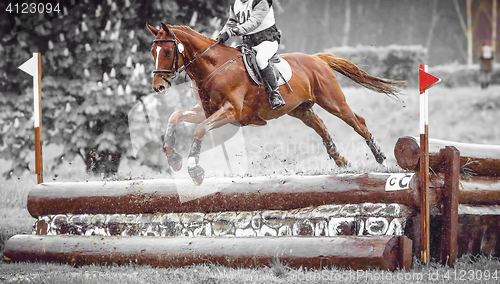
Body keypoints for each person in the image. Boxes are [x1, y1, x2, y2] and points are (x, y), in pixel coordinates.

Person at [217, 0, 286, 110]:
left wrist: (231, 32)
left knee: (261, 59)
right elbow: (231, 22)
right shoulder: (235, 4)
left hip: (267, 40)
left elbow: (254, 22)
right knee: (231, 60)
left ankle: (275, 94)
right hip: (248, 43)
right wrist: (222, 34)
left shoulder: (261, 1)